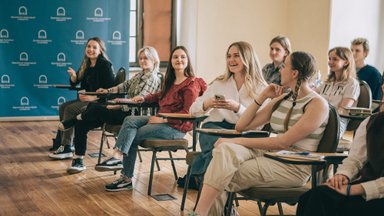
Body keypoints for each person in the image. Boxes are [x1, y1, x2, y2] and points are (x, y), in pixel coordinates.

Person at [191, 51, 329, 216]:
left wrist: (236, 142)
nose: (280, 70)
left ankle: (199, 213)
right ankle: (200, 213)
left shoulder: (317, 104)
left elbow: (282, 142)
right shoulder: (283, 99)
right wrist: (263, 96)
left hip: (293, 167)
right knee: (225, 152)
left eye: (284, 66)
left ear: (294, 73)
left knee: (221, 171)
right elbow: (242, 126)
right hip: (273, 155)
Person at [99, 46, 207, 191]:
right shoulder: (171, 81)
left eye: (182, 57)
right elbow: (158, 95)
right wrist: (143, 97)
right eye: (175, 57)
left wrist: (164, 120)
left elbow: (188, 113)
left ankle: (125, 177)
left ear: (188, 61)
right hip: (161, 119)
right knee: (130, 120)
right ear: (171, 61)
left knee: (131, 135)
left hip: (176, 128)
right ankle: (118, 155)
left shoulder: (191, 84)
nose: (179, 60)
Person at [49, 47, 162, 173]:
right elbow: (122, 86)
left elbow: (138, 102)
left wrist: (116, 105)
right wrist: (107, 91)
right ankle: (78, 160)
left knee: (96, 107)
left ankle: (72, 120)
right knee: (82, 124)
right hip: (124, 109)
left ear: (154, 60)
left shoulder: (152, 78)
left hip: (134, 114)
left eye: (146, 58)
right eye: (140, 58)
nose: (142, 61)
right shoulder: (139, 75)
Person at [186, 41, 268, 188]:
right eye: (229, 56)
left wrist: (238, 108)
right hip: (214, 129)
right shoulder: (219, 83)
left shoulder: (262, 88)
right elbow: (193, 110)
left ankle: (202, 178)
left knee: (222, 151)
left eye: (236, 56)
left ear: (247, 58)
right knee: (219, 146)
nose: (231, 60)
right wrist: (207, 104)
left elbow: (261, 124)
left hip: (243, 133)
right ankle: (212, 188)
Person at [296, 84, 384, 216]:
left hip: (375, 193)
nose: (382, 86)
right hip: (363, 187)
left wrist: (354, 189)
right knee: (314, 197)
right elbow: (355, 159)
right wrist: (343, 175)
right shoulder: (371, 122)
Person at [50, 37, 115, 152]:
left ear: (100, 51)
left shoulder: (105, 65)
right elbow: (76, 82)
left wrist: (94, 97)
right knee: (63, 107)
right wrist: (74, 77)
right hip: (86, 99)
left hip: (99, 102)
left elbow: (110, 91)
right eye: (88, 46)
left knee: (70, 109)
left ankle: (67, 146)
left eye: (94, 47)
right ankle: (62, 141)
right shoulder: (86, 63)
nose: (91, 49)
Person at [316, 47, 360, 137]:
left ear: (346, 62)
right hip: (319, 118)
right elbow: (312, 95)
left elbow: (342, 110)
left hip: (336, 123)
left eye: (335, 59)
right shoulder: (327, 82)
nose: (330, 62)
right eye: (329, 59)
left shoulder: (352, 83)